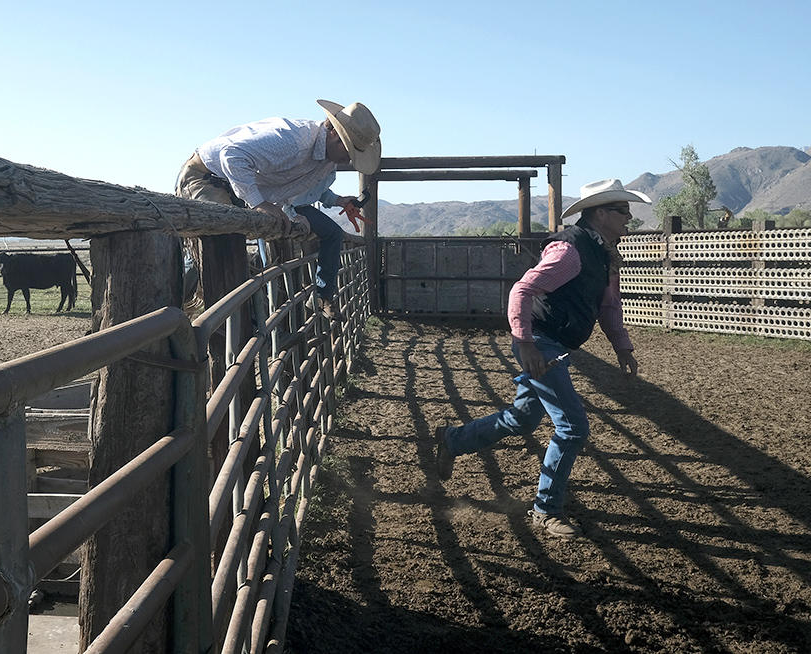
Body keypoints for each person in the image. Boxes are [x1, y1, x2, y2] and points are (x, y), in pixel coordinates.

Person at [434, 179, 648, 539]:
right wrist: (527, 343)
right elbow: (522, 289)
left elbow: (609, 305)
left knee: (521, 418)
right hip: (542, 341)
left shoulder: (604, 253)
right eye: (623, 211)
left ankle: (453, 440)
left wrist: (622, 347)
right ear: (600, 213)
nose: (629, 217)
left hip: (553, 343)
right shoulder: (571, 250)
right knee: (573, 427)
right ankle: (546, 510)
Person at [175, 100, 381, 318]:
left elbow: (295, 189)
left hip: (235, 187)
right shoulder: (292, 140)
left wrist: (298, 210)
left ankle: (213, 323)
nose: (349, 159)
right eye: (350, 150)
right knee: (219, 252)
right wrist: (260, 203)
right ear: (334, 134)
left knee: (226, 260)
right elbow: (232, 156)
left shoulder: (326, 161)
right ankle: (182, 311)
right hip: (207, 177)